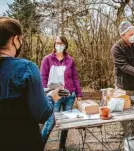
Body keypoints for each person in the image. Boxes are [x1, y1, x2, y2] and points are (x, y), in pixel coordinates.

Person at [0, 17, 60, 151]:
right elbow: (42, 114)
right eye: (21, 39)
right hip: (25, 142)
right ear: (15, 39)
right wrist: (52, 97)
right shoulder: (26, 68)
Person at [41, 35, 82, 150]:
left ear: (65, 45)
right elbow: (43, 78)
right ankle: (39, 146)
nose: (59, 45)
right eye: (57, 43)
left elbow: (75, 78)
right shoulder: (47, 59)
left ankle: (62, 146)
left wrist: (78, 94)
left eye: (61, 43)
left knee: (66, 123)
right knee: (50, 122)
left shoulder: (70, 60)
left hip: (69, 95)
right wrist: (46, 93)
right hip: (55, 96)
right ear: (54, 44)